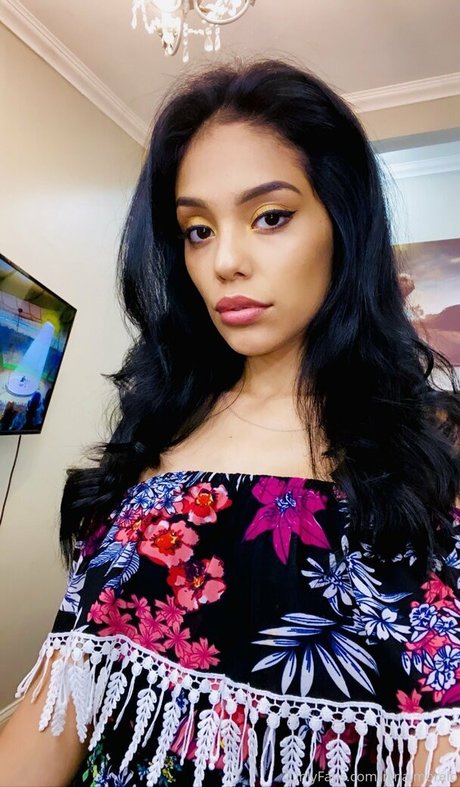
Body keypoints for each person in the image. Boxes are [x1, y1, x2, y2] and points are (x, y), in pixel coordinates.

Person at [1, 57, 460, 787]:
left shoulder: (432, 461)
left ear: (343, 224)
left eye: (270, 216)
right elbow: (59, 706)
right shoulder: (154, 438)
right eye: (197, 230)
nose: (226, 261)